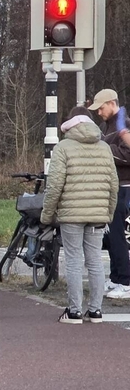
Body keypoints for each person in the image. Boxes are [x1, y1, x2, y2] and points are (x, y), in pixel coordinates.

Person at [41, 106, 118, 324]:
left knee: (74, 260)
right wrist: (108, 213)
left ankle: (74, 311)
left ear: (70, 123)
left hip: (71, 214)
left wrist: (48, 214)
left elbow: (55, 185)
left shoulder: (63, 147)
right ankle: (95, 311)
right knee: (94, 260)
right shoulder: (104, 147)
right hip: (98, 215)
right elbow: (114, 185)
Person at [86, 89, 130, 300]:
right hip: (113, 186)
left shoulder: (125, 125)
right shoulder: (106, 126)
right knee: (112, 235)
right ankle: (115, 277)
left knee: (119, 234)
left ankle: (125, 280)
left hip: (125, 186)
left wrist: (103, 150)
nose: (99, 113)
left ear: (112, 104)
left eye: (101, 108)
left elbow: (127, 155)